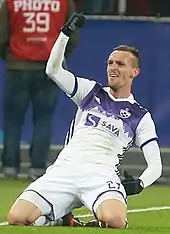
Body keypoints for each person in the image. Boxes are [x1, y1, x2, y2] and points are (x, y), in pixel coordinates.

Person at [7, 12, 162, 229]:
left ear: (135, 72)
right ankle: (62, 219)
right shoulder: (90, 91)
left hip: (100, 175)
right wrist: (65, 33)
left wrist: (140, 183)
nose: (113, 68)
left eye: (120, 64)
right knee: (17, 217)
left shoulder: (140, 116)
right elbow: (53, 70)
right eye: (110, 63)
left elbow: (156, 165)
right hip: (65, 169)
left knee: (115, 220)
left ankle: (92, 220)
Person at [0, 0, 78, 179]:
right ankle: (37, 167)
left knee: (13, 121)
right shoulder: (63, 2)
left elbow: (2, 35)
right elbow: (72, 33)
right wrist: (58, 58)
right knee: (43, 120)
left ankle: (10, 167)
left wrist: (11, 57)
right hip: (48, 69)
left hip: (18, 68)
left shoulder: (11, 2)